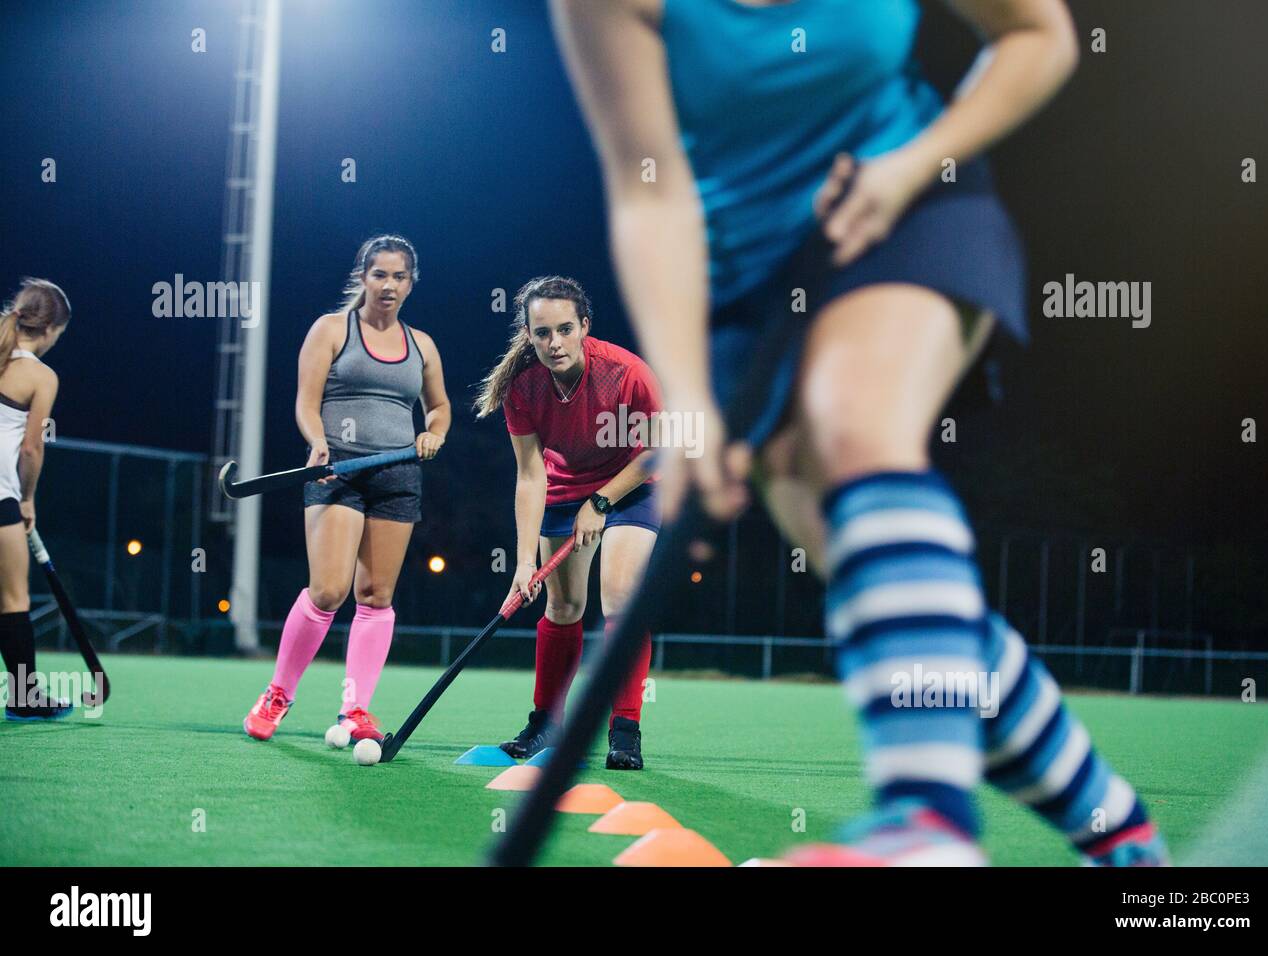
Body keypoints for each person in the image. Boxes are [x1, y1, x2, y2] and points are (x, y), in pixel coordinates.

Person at [550, 0, 1168, 863]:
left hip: (903, 201)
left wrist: (912, 165)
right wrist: (687, 400)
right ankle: (1122, 834)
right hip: (745, 282)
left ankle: (926, 823)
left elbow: (1039, 36)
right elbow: (648, 190)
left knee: (853, 429)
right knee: (896, 591)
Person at [243, 235, 450, 744]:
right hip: (337, 471)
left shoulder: (422, 345)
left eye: (399, 276)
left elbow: (440, 406)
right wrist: (318, 443)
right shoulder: (332, 329)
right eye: (380, 274)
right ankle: (277, 694)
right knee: (329, 591)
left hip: (398, 477)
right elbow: (306, 402)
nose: (389, 285)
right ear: (363, 277)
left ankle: (355, 710)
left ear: (411, 283)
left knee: (376, 596)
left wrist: (434, 432)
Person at [474, 276, 661, 769]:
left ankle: (625, 731)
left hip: (632, 483)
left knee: (618, 597)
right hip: (565, 486)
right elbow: (530, 474)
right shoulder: (522, 385)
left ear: (584, 326)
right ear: (528, 334)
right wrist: (523, 563)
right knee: (562, 606)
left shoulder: (627, 373)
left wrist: (600, 501)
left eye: (564, 329)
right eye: (542, 333)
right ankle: (544, 725)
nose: (554, 343)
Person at [0, 278, 73, 721]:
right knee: (12, 599)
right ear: (48, 329)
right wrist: (27, 500)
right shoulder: (41, 376)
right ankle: (24, 696)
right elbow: (31, 448)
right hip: (1, 497)